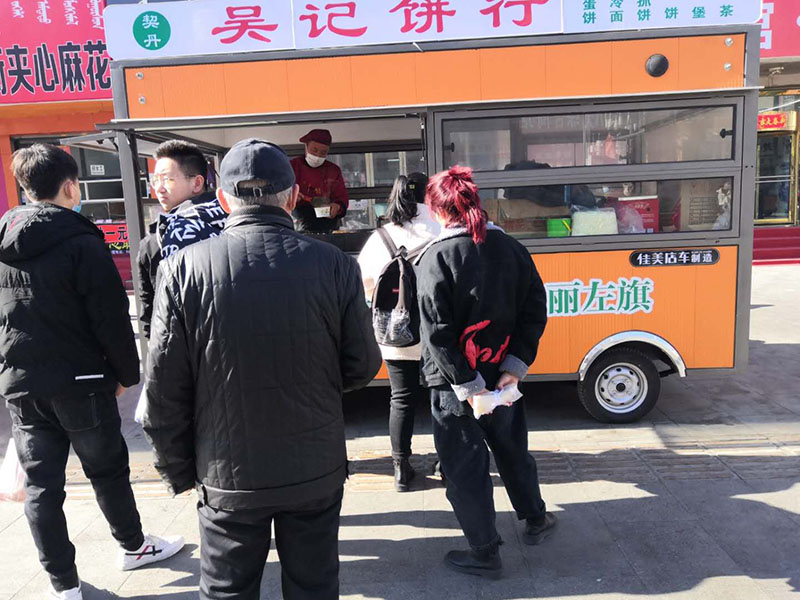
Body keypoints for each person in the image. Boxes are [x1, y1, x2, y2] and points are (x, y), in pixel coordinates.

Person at [143, 138, 382, 600]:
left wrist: (179, 470)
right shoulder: (335, 264)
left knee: (227, 590)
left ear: (222, 199)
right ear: (293, 198)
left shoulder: (182, 268)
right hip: (314, 466)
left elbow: (163, 391)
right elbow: (362, 365)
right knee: (314, 587)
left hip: (226, 473)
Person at [0, 144, 184, 600]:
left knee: (42, 487)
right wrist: (126, 374)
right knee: (107, 470)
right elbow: (110, 317)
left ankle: (63, 585)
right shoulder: (81, 241)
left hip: (23, 385)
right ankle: (133, 546)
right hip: (80, 382)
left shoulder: (3, 241)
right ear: (70, 186)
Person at [416, 165, 556, 579]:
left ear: (436, 210)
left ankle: (484, 551)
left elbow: (437, 333)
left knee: (464, 465)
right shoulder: (512, 248)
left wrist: (467, 384)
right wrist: (514, 366)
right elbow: (534, 310)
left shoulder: (436, 257)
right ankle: (535, 518)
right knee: (512, 449)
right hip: (502, 378)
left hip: (453, 385)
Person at [357, 173, 440, 491]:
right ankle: (447, 462)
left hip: (397, 332)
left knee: (401, 398)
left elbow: (365, 284)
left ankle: (401, 469)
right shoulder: (442, 228)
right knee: (442, 397)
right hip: (437, 333)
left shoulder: (381, 237)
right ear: (430, 195)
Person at [137, 140, 221, 339]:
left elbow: (152, 315)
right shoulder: (153, 240)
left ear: (197, 183)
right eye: (155, 180)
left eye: (167, 179)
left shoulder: (159, 239)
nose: (159, 188)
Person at [289, 129, 349, 233]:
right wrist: (291, 196)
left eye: (323, 153)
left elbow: (342, 197)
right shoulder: (292, 167)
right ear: (306, 146)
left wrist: (338, 207)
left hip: (328, 224)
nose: (317, 156)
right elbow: (279, 194)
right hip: (297, 223)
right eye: (314, 150)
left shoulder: (333, 170)